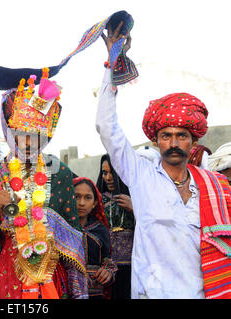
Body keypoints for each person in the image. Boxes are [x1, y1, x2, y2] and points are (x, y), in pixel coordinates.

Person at [96, 22, 231, 298]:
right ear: (156, 140)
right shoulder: (141, 175)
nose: (173, 143)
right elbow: (105, 126)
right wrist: (112, 63)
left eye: (181, 135)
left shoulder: (212, 186)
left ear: (193, 140)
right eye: (166, 135)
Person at [0, 69, 88, 299]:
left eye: (36, 134)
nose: (29, 143)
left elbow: (74, 246)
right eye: (21, 134)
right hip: (2, 278)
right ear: (9, 132)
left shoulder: (60, 175)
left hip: (50, 280)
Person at [95, 154, 134, 299]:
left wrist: (135, 208)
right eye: (105, 173)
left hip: (133, 267)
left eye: (113, 172)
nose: (108, 177)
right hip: (106, 269)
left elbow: (153, 225)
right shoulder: (96, 199)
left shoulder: (136, 196)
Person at [73, 177, 117, 299]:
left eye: (88, 197)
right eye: (76, 196)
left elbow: (108, 261)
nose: (81, 203)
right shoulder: (61, 227)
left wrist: (107, 272)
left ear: (95, 203)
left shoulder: (100, 230)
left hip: (95, 295)